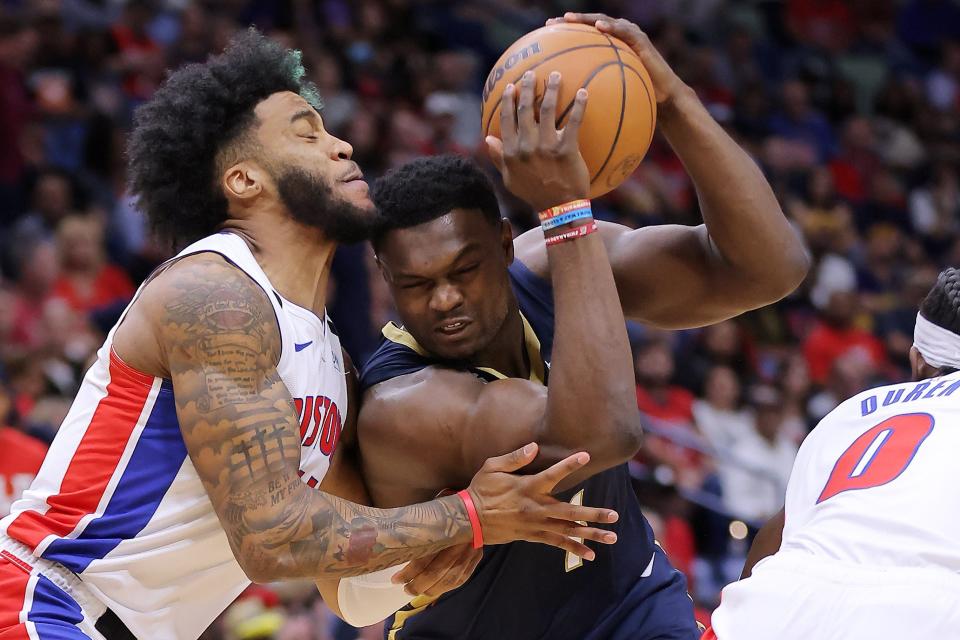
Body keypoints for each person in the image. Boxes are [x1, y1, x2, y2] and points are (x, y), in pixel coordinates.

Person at [0, 30, 619, 640]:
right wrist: (469, 515)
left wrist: (434, 561)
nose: (343, 144)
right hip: (41, 600)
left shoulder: (330, 358)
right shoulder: (214, 296)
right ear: (245, 181)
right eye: (307, 133)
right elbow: (271, 535)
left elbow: (346, 594)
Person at [339, 12, 810, 639]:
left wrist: (671, 102)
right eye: (416, 285)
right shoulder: (405, 405)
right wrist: (568, 211)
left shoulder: (554, 264)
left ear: (507, 246)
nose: (445, 299)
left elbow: (770, 269)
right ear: (385, 280)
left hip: (637, 613)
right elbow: (604, 435)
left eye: (465, 269)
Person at [705, 267, 960, 639]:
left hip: (772, 607)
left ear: (917, 360)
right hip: (921, 614)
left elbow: (774, 539)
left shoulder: (850, 411)